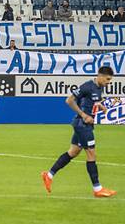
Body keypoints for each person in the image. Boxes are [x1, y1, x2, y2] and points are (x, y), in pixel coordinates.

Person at [41, 66, 117, 198]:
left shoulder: (99, 88)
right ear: (100, 76)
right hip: (83, 125)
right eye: (107, 79)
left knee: (73, 152)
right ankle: (97, 189)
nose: (108, 82)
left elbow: (93, 102)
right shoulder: (87, 86)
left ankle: (48, 175)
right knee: (91, 154)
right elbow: (69, 100)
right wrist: (83, 115)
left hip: (83, 125)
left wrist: (101, 106)